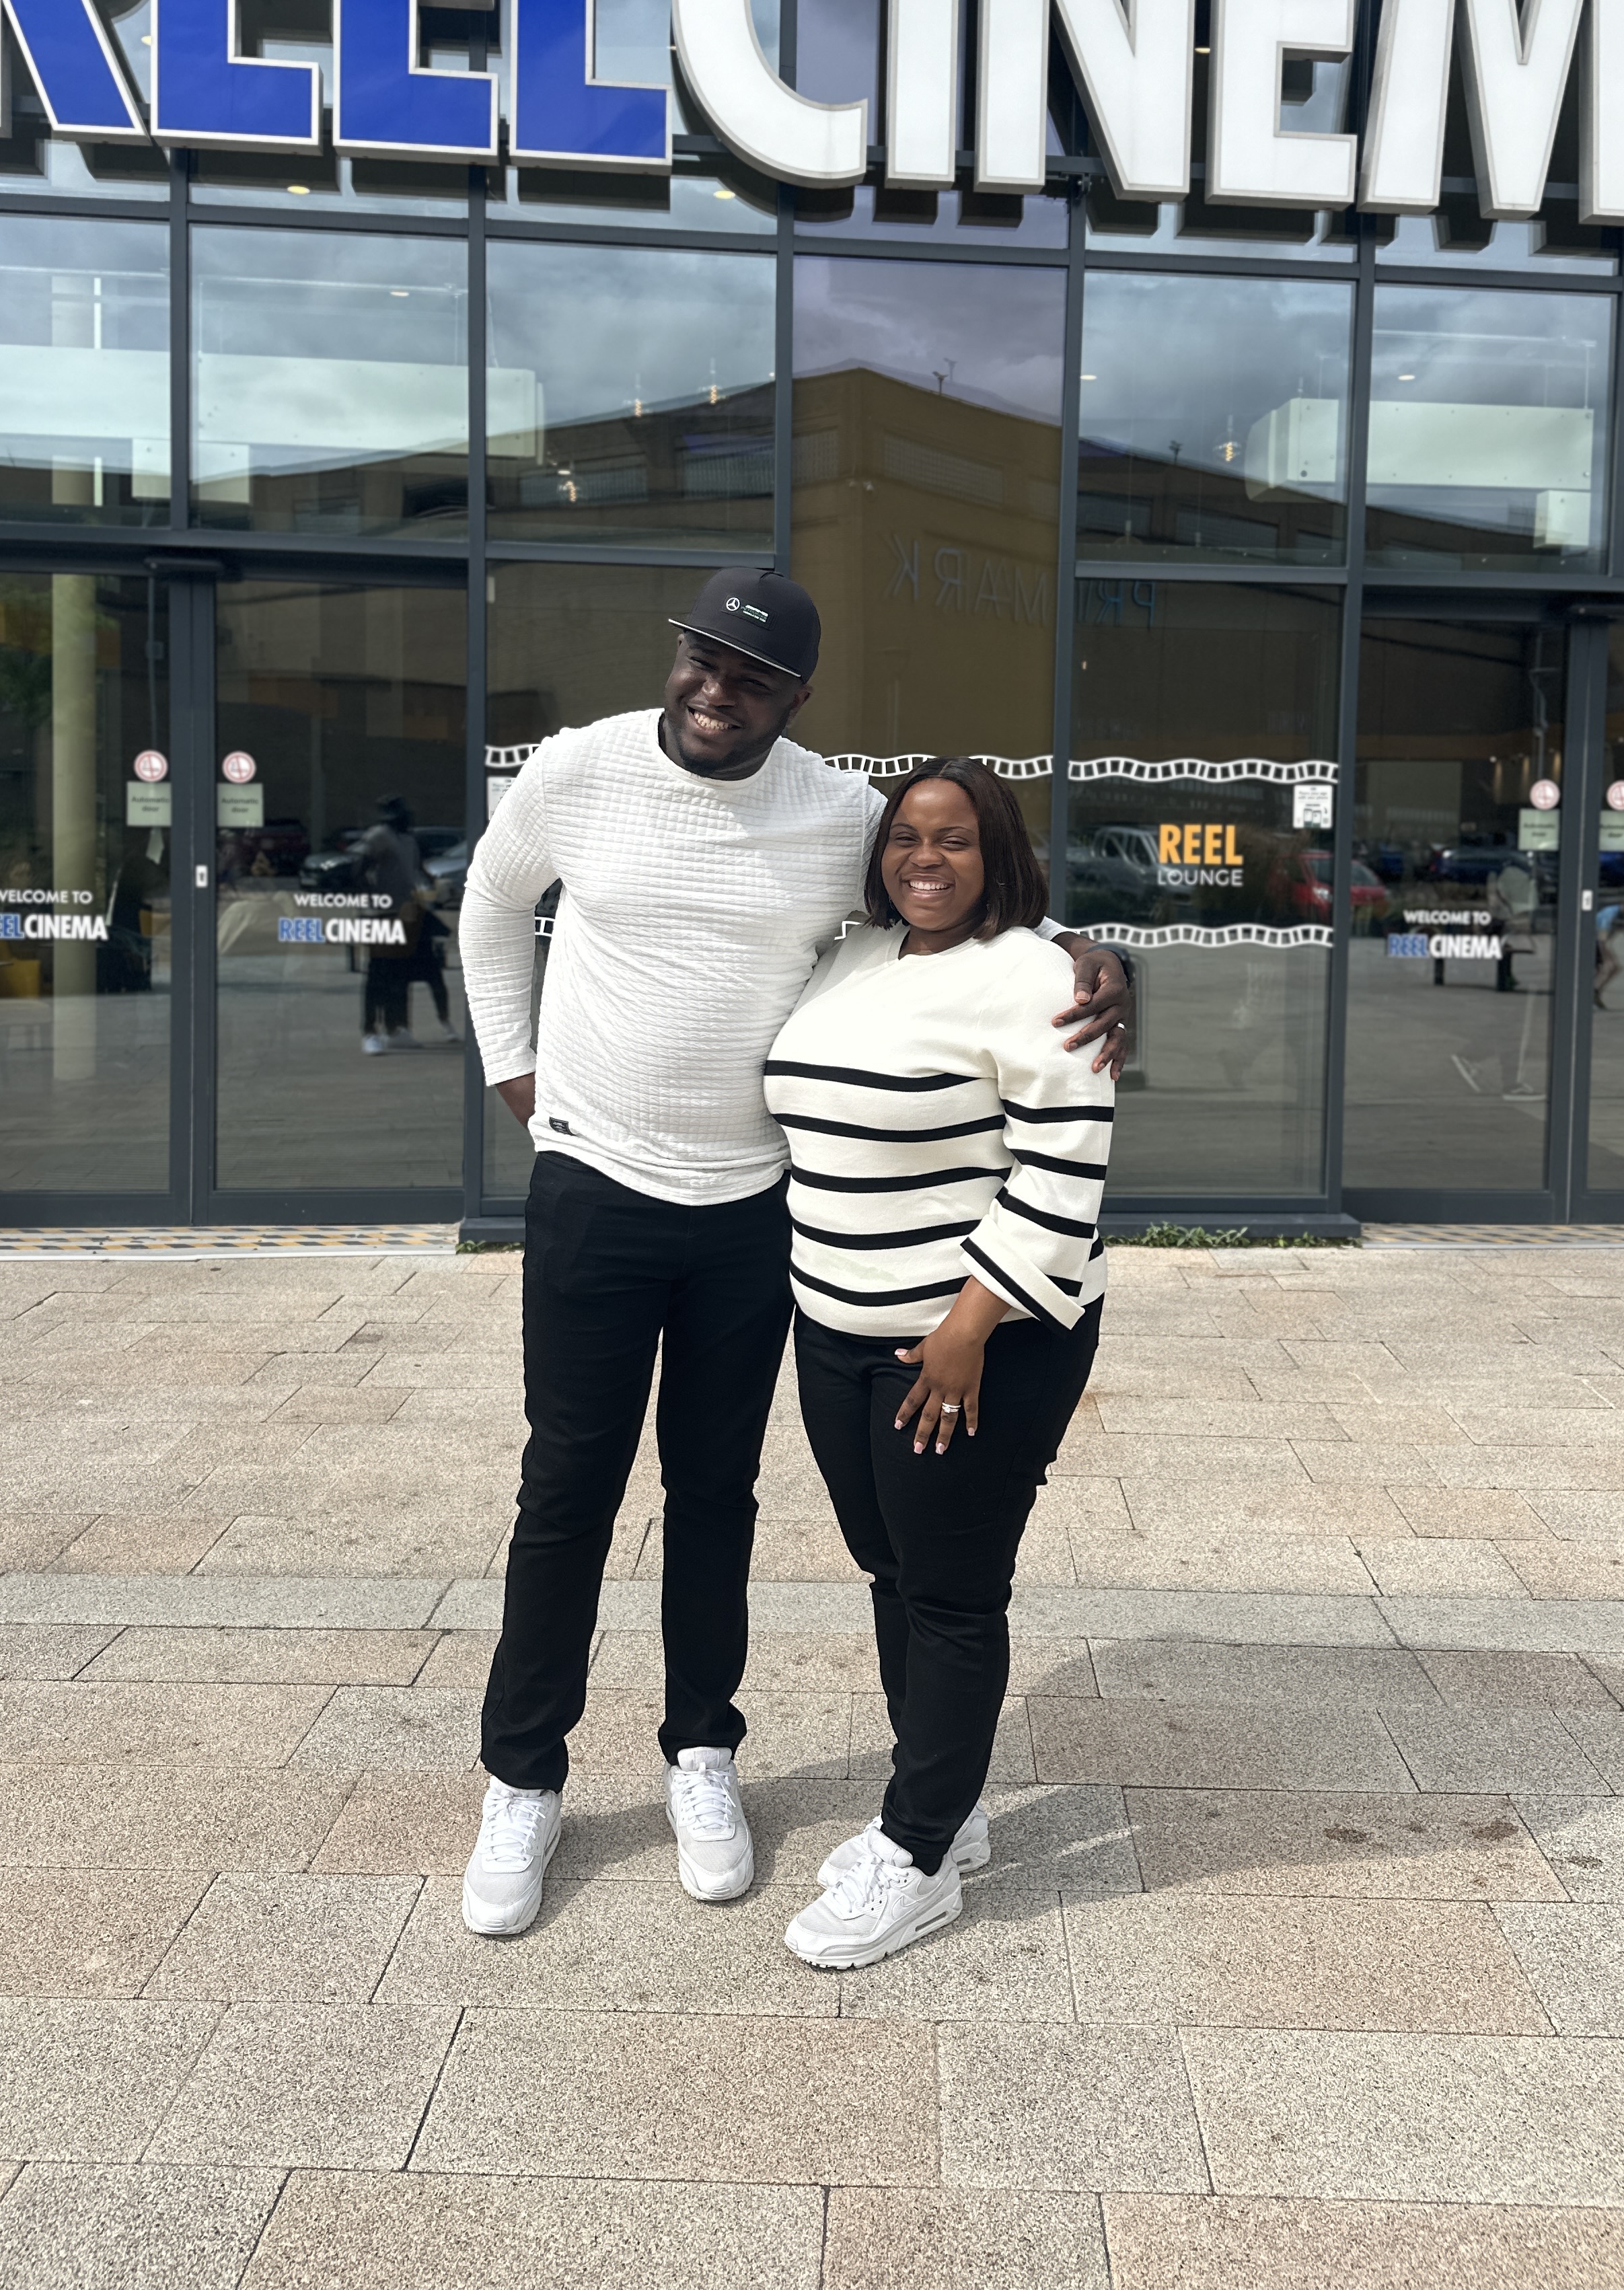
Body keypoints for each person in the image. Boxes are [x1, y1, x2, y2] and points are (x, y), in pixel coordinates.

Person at [453, 567, 1132, 1940]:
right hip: (592, 1189)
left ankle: (702, 1750)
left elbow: (952, 888)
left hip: (751, 1212)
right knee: (566, 1486)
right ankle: (523, 1776)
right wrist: (519, 1077)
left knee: (716, 1491)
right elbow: (487, 903)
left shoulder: (838, 812)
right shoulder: (578, 769)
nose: (717, 689)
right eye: (702, 659)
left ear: (797, 697)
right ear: (677, 655)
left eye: (752, 676)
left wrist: (1085, 950)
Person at [766, 760, 1114, 1968]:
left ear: (996, 850)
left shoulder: (1038, 977)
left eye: (955, 838)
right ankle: (944, 1804)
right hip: (832, 1327)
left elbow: (1064, 1165)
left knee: (953, 1593)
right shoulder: (851, 957)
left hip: (976, 1342)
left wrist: (969, 1326)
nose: (926, 857)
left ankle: (915, 1857)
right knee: (889, 1568)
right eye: (906, 836)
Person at [359, 796, 457, 1054]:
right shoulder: (380, 836)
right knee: (378, 975)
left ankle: (396, 1028)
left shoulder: (408, 841)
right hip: (381, 914)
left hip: (404, 915)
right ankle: (370, 1031)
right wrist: (371, 897)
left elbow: (416, 872)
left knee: (399, 974)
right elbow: (360, 869)